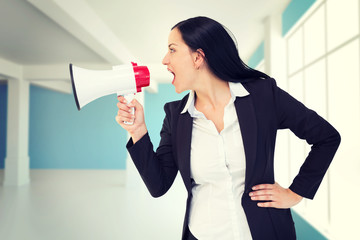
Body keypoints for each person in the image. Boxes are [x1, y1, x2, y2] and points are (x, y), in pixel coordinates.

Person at [115, 16, 341, 240]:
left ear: (198, 57)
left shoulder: (263, 95)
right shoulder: (175, 116)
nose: (165, 60)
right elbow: (158, 185)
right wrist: (138, 131)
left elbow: (327, 138)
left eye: (172, 50)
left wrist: (296, 193)